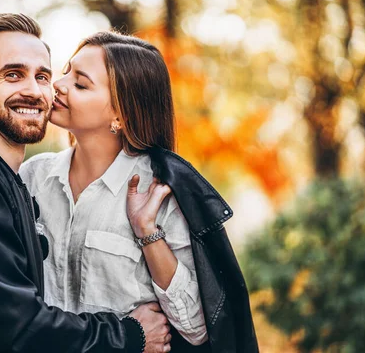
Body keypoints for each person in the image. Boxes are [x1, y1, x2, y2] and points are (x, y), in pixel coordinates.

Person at [0, 13, 172, 353]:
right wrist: (130, 335)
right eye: (13, 75)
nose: (33, 90)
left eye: (42, 76)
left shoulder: (9, 178)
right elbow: (19, 328)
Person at [19, 32, 259, 352]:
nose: (57, 84)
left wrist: (148, 233)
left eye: (80, 83)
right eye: (65, 71)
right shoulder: (32, 176)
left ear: (120, 115)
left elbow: (198, 328)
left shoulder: (158, 191)